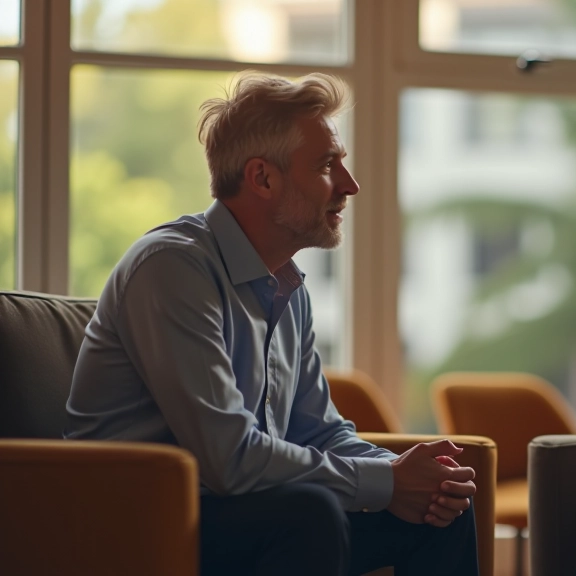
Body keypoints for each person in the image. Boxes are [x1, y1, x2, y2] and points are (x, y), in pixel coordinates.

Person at [65, 71, 479, 576]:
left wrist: (410, 476)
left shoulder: (286, 286)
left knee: (442, 507)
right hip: (133, 523)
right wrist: (388, 483)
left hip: (237, 513)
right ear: (262, 178)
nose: (349, 185)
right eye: (327, 165)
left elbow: (319, 431)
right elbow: (228, 459)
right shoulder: (172, 267)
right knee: (308, 512)